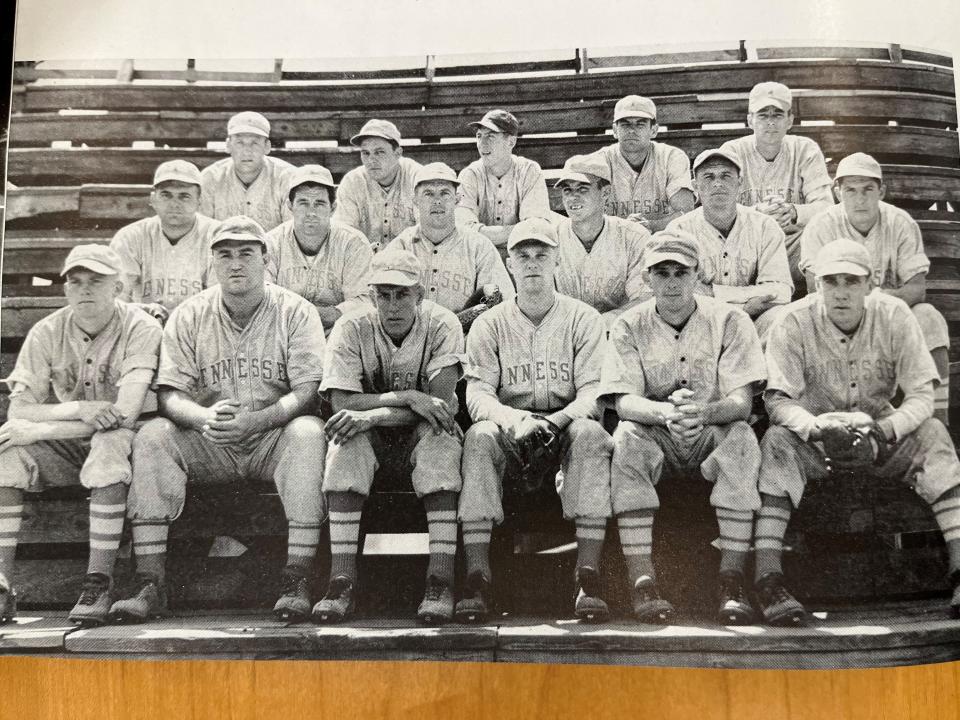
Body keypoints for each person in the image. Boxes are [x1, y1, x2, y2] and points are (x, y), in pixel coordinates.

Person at [108, 217, 327, 624]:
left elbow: (308, 391)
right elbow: (169, 393)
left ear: (267, 259)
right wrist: (203, 416)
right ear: (212, 262)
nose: (235, 263)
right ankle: (150, 581)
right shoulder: (190, 313)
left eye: (246, 253)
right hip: (210, 440)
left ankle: (296, 577)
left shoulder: (297, 311)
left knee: (309, 433)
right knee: (153, 434)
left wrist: (260, 421)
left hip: (271, 438)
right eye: (224, 254)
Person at [758, 238, 960, 624]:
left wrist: (885, 430)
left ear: (870, 285)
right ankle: (769, 579)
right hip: (816, 440)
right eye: (831, 281)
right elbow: (778, 401)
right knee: (777, 442)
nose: (841, 292)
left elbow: (921, 394)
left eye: (851, 281)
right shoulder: (793, 321)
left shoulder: (896, 314)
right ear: (817, 285)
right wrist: (816, 426)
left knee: (933, 433)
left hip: (877, 436)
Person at [601, 231, 766, 625]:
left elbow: (742, 403)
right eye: (662, 272)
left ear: (698, 275)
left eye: (681, 272)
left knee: (743, 439)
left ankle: (732, 579)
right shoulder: (628, 324)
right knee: (625, 439)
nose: (672, 282)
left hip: (711, 430)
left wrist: (701, 415)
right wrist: (666, 414)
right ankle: (642, 578)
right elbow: (624, 402)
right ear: (647, 278)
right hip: (659, 431)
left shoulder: (730, 319)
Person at [456, 218, 613, 624]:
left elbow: (594, 394)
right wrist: (515, 421)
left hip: (564, 426)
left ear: (557, 259)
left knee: (592, 433)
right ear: (509, 264)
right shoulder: (489, 323)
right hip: (512, 429)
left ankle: (588, 576)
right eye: (522, 255)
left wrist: (557, 420)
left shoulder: (583, 318)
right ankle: (478, 575)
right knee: (478, 437)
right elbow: (477, 394)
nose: (532, 263)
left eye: (541, 254)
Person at [0, 245, 162, 626]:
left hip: (130, 443)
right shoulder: (47, 330)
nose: (85, 289)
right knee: (8, 453)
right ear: (66, 290)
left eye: (96, 281)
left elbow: (124, 414)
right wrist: (78, 409)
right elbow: (18, 411)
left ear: (118, 288)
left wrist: (42, 428)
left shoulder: (141, 326)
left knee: (107, 444)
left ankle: (99, 582)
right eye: (76, 282)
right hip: (73, 442)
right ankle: (3, 585)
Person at [313, 248, 465, 625]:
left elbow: (441, 405)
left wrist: (376, 413)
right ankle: (341, 579)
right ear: (371, 296)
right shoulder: (352, 326)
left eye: (402, 294)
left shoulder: (443, 323)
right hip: (373, 445)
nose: (393, 305)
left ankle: (440, 579)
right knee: (344, 439)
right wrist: (409, 397)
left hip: (420, 437)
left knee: (441, 436)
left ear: (420, 295)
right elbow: (341, 401)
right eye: (384, 294)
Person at [800, 152, 950, 423]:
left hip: (888, 319)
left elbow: (917, 289)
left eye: (868, 189)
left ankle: (939, 417)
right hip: (837, 320)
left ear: (881, 190)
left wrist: (875, 304)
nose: (860, 199)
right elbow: (815, 289)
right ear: (837, 192)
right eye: (851, 190)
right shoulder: (821, 225)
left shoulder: (900, 222)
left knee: (929, 317)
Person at [665, 148, 792, 338]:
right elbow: (678, 289)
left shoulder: (765, 225)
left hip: (755, 321)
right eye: (708, 177)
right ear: (695, 186)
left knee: (781, 317)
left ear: (740, 182)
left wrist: (714, 293)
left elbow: (780, 291)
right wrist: (745, 305)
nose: (718, 183)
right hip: (700, 320)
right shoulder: (679, 230)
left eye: (726, 176)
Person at [719, 82, 833, 285]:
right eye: (763, 115)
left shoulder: (805, 149)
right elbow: (718, 210)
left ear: (790, 120)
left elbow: (826, 207)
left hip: (793, 246)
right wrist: (757, 214)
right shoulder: (732, 152)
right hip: (747, 247)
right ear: (750, 120)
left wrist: (793, 212)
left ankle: (815, 302)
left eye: (777, 115)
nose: (770, 122)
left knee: (824, 234)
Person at [386, 162, 513, 325]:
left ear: (457, 199)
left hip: (465, 340)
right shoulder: (401, 247)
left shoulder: (478, 246)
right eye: (428, 194)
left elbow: (501, 305)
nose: (437, 201)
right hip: (410, 340)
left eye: (444, 193)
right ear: (415, 201)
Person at [265, 164, 373, 335]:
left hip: (339, 336)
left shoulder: (353, 243)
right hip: (284, 333)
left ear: (333, 208)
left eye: (319, 204)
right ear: (289, 206)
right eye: (303, 203)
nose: (311, 213)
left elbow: (365, 301)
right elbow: (264, 299)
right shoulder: (271, 243)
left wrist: (330, 314)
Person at [110, 159, 220, 325]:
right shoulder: (131, 237)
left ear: (199, 201)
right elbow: (117, 299)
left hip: (200, 329)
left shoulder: (217, 235)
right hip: (145, 329)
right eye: (166, 195)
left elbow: (220, 302)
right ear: (153, 199)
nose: (174, 204)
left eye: (184, 196)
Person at [552, 154, 652, 328]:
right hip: (565, 333)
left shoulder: (634, 236)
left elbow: (644, 300)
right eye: (567, 190)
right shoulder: (551, 238)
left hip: (621, 331)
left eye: (583, 189)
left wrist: (600, 323)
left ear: (605, 192)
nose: (573, 197)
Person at [584, 95, 695, 232]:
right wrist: (626, 228)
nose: (632, 130)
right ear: (614, 130)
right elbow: (586, 215)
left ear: (653, 130)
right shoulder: (599, 161)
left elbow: (685, 213)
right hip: (613, 242)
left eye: (640, 124)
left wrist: (651, 226)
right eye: (625, 124)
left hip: (661, 239)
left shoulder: (671, 157)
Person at [455, 109, 552, 250]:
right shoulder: (470, 174)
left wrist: (483, 234)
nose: (482, 143)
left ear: (511, 142)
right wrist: (519, 230)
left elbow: (535, 229)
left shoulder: (528, 171)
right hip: (480, 256)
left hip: (520, 256)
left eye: (491, 136)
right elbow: (464, 231)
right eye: (479, 136)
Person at [332, 119, 422, 252]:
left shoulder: (417, 177)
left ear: (398, 153)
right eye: (365, 153)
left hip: (410, 261)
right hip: (366, 261)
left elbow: (427, 232)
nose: (371, 160)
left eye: (379, 152)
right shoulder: (352, 182)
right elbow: (343, 234)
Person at [200, 111, 293, 231]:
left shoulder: (286, 177)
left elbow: (291, 233)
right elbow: (203, 233)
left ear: (267, 146)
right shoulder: (210, 178)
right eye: (239, 142)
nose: (247, 151)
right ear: (228, 145)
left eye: (255, 143)